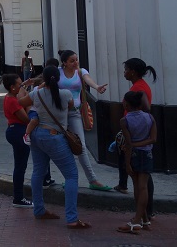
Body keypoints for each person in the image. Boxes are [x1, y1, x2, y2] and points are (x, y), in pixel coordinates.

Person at [21, 65, 89, 228]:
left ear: (44, 79)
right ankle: (72, 218)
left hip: (37, 135)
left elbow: (20, 102)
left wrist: (32, 109)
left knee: (38, 171)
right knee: (71, 175)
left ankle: (39, 210)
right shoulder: (65, 94)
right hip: (55, 137)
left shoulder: (36, 93)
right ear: (58, 79)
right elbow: (72, 106)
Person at [57, 49, 112, 191]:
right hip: (59, 115)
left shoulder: (81, 72)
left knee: (80, 146)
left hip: (74, 113)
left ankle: (93, 179)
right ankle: (69, 178)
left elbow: (88, 80)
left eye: (76, 60)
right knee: (63, 147)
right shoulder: (58, 72)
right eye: (72, 61)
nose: (75, 63)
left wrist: (97, 87)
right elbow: (46, 82)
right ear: (64, 63)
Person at [115, 58, 158, 220]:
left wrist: (131, 141)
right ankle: (145, 214)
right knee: (142, 178)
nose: (124, 72)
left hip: (136, 139)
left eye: (126, 69)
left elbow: (146, 109)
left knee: (141, 182)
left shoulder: (140, 88)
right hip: (136, 137)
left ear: (132, 71)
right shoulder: (138, 87)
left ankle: (144, 213)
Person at [117, 90, 157, 234]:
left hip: (133, 154)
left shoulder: (125, 120)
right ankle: (144, 220)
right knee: (143, 187)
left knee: (138, 187)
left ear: (126, 104)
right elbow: (153, 139)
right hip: (147, 153)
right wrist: (141, 144)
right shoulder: (149, 118)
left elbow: (128, 144)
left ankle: (136, 221)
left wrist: (127, 162)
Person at [2, 74, 33, 208]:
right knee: (21, 166)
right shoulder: (13, 101)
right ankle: (19, 197)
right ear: (12, 87)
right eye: (19, 85)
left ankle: (18, 196)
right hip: (18, 132)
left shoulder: (9, 97)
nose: (21, 87)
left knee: (19, 166)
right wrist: (29, 106)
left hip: (14, 130)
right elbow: (26, 119)